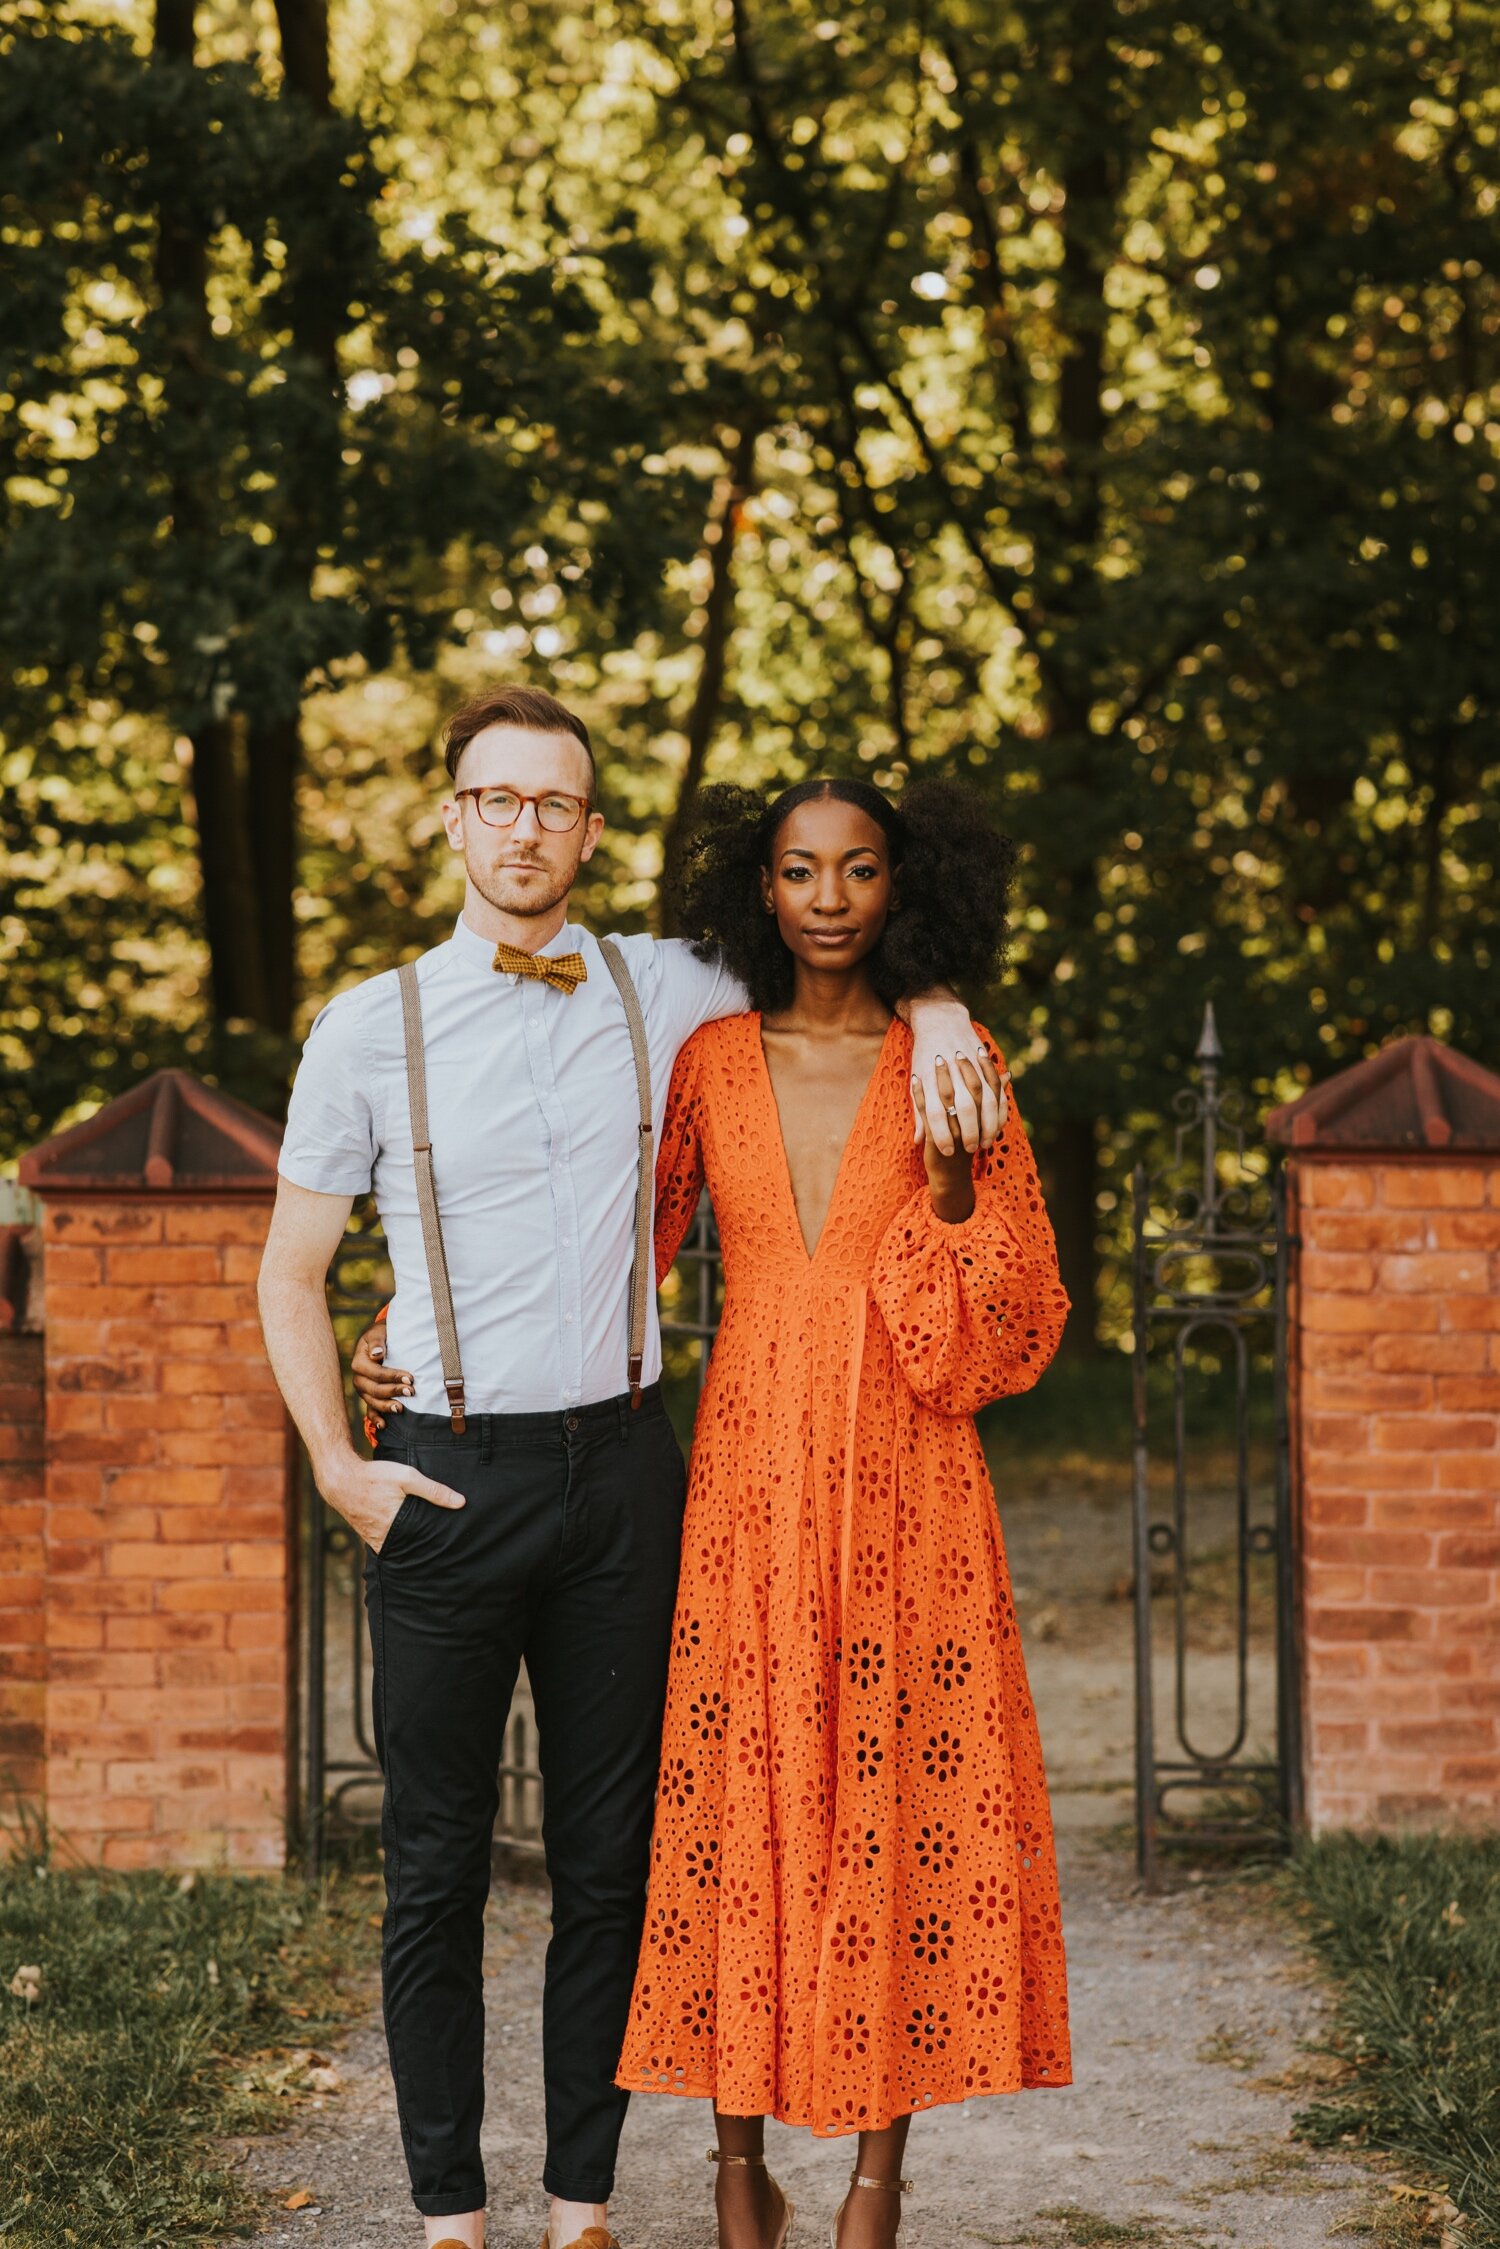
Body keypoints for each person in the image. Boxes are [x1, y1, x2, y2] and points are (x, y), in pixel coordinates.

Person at [256, 682, 996, 2249]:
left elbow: (844, 928)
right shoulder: (361, 1027)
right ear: (454, 815)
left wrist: (937, 1009)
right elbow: (288, 1266)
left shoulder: (667, 985)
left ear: (591, 828)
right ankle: (451, 2214)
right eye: (497, 799)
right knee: (435, 1871)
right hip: (445, 1479)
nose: (526, 828)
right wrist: (336, 1455)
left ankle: (577, 2205)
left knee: (613, 1862)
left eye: (556, 803)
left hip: (629, 1479)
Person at [609, 776, 1072, 2249]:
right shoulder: (707, 1062)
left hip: (909, 1464)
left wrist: (943, 1187)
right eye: (800, 869)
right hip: (744, 1465)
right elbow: (612, 1249)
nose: (827, 896)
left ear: (900, 885)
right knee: (740, 1797)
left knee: (898, 1802)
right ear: (759, 885)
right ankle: (735, 2169)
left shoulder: (950, 1058)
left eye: (858, 870)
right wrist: (409, 1328)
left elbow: (1007, 1321)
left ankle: (877, 2179)